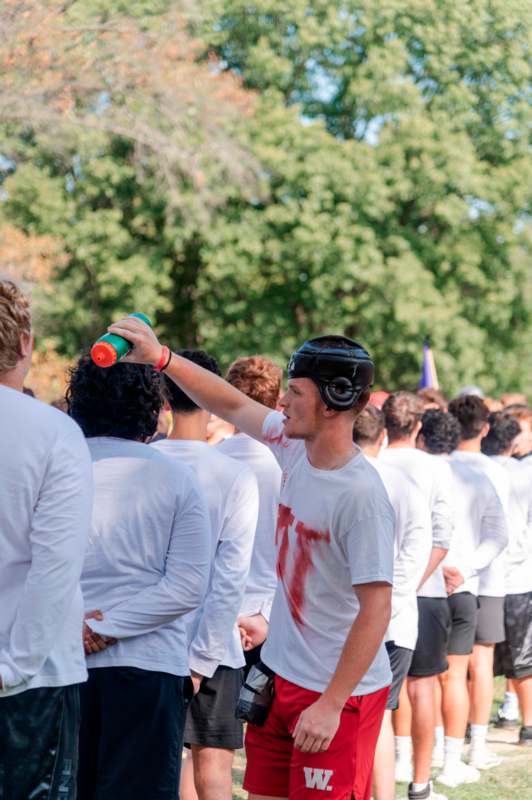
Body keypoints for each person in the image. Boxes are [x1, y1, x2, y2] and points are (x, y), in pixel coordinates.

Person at [107, 317, 395, 800]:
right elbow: (233, 402)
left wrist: (330, 703)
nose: (281, 401)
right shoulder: (293, 448)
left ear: (333, 401)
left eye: (296, 392)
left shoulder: (362, 496)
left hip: (336, 696)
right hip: (279, 680)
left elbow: (377, 608)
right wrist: (162, 358)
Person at [67, 355, 211, 800]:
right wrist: (104, 627)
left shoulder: (56, 471)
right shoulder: (178, 478)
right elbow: (187, 585)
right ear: (153, 411)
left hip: (62, 658)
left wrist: (87, 626)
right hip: (147, 667)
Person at [152, 350, 259, 800]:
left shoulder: (145, 461)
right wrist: (204, 657)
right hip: (214, 645)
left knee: (153, 765)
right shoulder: (235, 474)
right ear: (214, 398)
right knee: (214, 772)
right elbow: (230, 578)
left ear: (162, 396)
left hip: (150, 638)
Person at [0, 280, 93, 799]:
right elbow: (55, 565)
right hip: (32, 676)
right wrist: (14, 665)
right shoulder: (55, 433)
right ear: (25, 344)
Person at [419, 410, 507, 786]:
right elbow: (499, 535)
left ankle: (432, 754)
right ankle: (450, 759)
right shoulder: (479, 476)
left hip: (430, 585)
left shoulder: (419, 474)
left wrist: (453, 569)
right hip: (460, 586)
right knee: (451, 676)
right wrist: (468, 568)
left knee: (424, 680)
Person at [353, 405, 432, 800]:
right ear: (382, 437)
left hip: (355, 621)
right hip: (395, 620)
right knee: (379, 715)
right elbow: (417, 555)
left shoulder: (341, 478)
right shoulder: (405, 485)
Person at [380, 392, 454, 800]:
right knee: (422, 687)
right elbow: (443, 537)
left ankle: (396, 762)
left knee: (384, 693)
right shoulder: (435, 467)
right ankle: (419, 782)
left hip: (378, 593)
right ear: (419, 428)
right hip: (422, 591)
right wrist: (413, 581)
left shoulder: (370, 459)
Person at [448, 395, 510, 769]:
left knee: (446, 669)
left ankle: (447, 742)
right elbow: (505, 531)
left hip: (450, 578)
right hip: (487, 575)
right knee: (480, 664)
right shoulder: (496, 471)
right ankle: (478, 743)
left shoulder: (437, 467)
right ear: (485, 428)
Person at [219, 355, 283, 671]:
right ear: (278, 399)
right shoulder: (289, 465)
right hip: (274, 611)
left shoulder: (211, 461)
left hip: (218, 612)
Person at [483, 413, 532, 747]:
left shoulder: (476, 471)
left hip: (484, 578)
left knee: (479, 658)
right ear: (514, 440)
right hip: (516, 577)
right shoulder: (523, 474)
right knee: (522, 658)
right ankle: (528, 726)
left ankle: (473, 728)